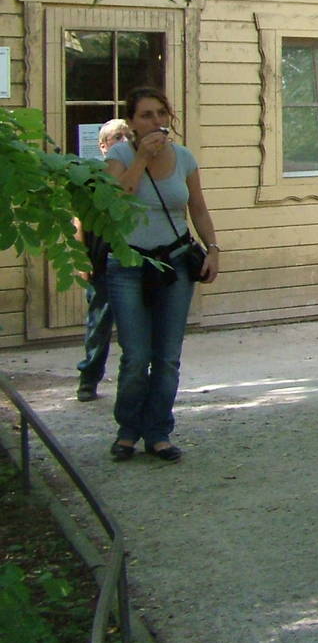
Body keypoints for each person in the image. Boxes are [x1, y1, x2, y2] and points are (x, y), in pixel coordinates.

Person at [102, 89, 220, 462]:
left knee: (167, 355)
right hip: (129, 265)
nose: (155, 122)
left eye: (160, 114)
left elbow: (197, 208)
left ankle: (158, 431)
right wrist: (141, 157)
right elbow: (117, 200)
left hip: (174, 263)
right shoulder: (120, 156)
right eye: (145, 116)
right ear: (132, 123)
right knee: (136, 355)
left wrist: (213, 248)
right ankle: (127, 431)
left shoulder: (184, 158)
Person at [75, 117, 132, 401]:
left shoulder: (138, 174)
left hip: (133, 260)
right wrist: (82, 261)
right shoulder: (90, 176)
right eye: (117, 137)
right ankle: (88, 379)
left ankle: (132, 383)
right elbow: (79, 221)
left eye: (127, 137)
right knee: (99, 324)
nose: (123, 142)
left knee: (134, 328)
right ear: (102, 145)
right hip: (100, 261)